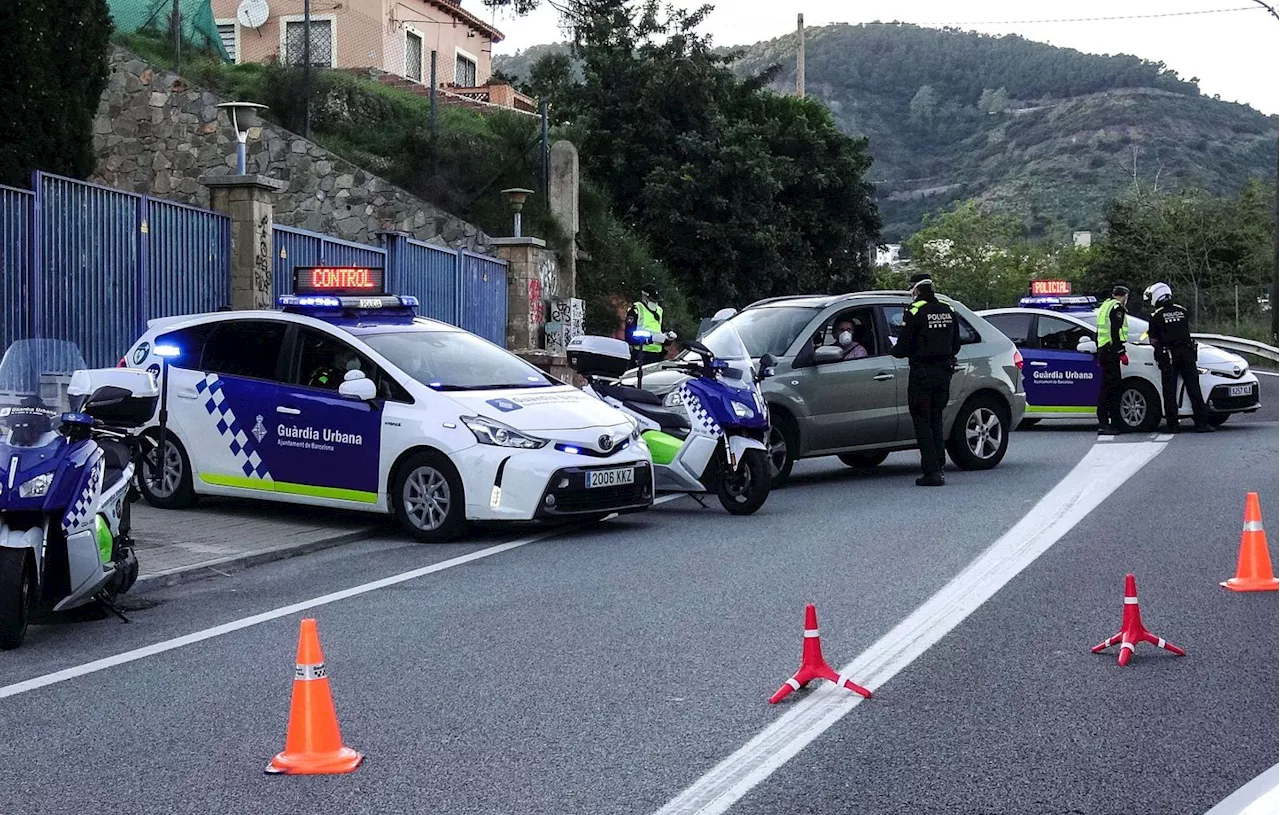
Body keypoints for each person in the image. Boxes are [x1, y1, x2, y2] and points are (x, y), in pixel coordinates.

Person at [892, 274, 961, 487]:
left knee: (922, 421)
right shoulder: (948, 310)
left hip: (922, 373)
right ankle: (940, 466)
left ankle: (931, 472)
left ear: (916, 289)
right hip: (944, 372)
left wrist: (892, 348)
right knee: (935, 419)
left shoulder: (914, 311)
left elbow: (902, 348)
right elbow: (956, 344)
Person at [1144, 282, 1213, 433]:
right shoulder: (1182, 311)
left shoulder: (1156, 316)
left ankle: (1173, 425)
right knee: (1194, 388)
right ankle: (1202, 423)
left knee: (1169, 391)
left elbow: (1153, 340)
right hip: (1187, 354)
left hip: (1169, 356)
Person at [1095, 285, 1131, 434]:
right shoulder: (1117, 308)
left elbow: (1099, 331)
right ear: (1124, 296)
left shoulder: (1105, 306)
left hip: (1104, 350)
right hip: (1111, 352)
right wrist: (1121, 352)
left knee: (1106, 388)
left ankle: (1104, 421)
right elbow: (1115, 332)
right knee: (1113, 388)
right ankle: (1109, 424)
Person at [625, 283, 676, 365]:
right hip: (640, 354)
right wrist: (650, 339)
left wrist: (668, 338)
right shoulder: (636, 310)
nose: (654, 303)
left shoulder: (659, 311)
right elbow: (629, 338)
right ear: (644, 297)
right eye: (652, 300)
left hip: (657, 356)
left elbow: (659, 332)